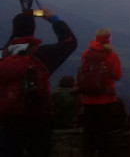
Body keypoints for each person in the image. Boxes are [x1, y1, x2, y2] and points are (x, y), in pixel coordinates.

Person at [0, 9, 77, 157]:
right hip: (38, 117)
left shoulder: (2, 56)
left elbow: (8, 46)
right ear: (34, 30)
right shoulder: (42, 55)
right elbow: (69, 42)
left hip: (8, 116)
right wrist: (54, 19)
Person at [78, 29, 123, 156]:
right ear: (109, 39)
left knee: (89, 132)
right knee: (105, 131)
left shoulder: (86, 53)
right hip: (106, 99)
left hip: (87, 99)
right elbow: (118, 76)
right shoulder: (111, 55)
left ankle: (88, 153)